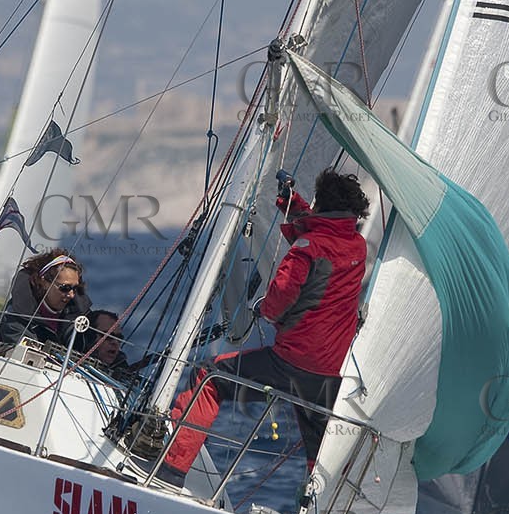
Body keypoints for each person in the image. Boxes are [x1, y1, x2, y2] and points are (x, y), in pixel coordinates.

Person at [157, 168, 370, 495]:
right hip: (328, 374)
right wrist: (292, 202)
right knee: (322, 450)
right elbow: (325, 235)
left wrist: (264, 310)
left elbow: (282, 295)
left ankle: (169, 474)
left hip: (289, 365)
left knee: (208, 378)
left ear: (323, 203)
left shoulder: (307, 247)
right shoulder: (356, 246)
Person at [0, 251, 92, 350]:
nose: (71, 295)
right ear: (45, 282)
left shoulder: (81, 317)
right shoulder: (17, 315)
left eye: (75, 288)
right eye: (65, 288)